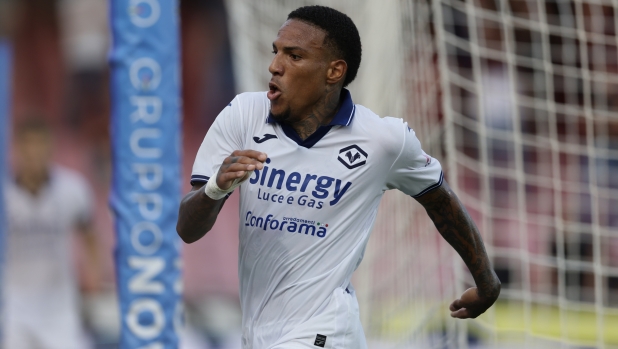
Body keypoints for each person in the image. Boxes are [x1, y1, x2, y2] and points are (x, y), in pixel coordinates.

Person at [177, 5, 501, 349]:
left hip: (323, 330)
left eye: (294, 55)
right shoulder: (243, 115)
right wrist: (215, 188)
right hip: (259, 331)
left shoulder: (383, 139)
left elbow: (440, 201)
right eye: (276, 52)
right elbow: (187, 229)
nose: (275, 66)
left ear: (334, 71)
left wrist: (486, 281)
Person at [4, 119, 100, 349]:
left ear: (50, 149)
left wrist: (93, 276)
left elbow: (89, 235)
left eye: (40, 146)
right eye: (28, 146)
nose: (33, 153)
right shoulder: (4, 194)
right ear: (17, 149)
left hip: (59, 309)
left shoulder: (72, 189)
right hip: (12, 307)